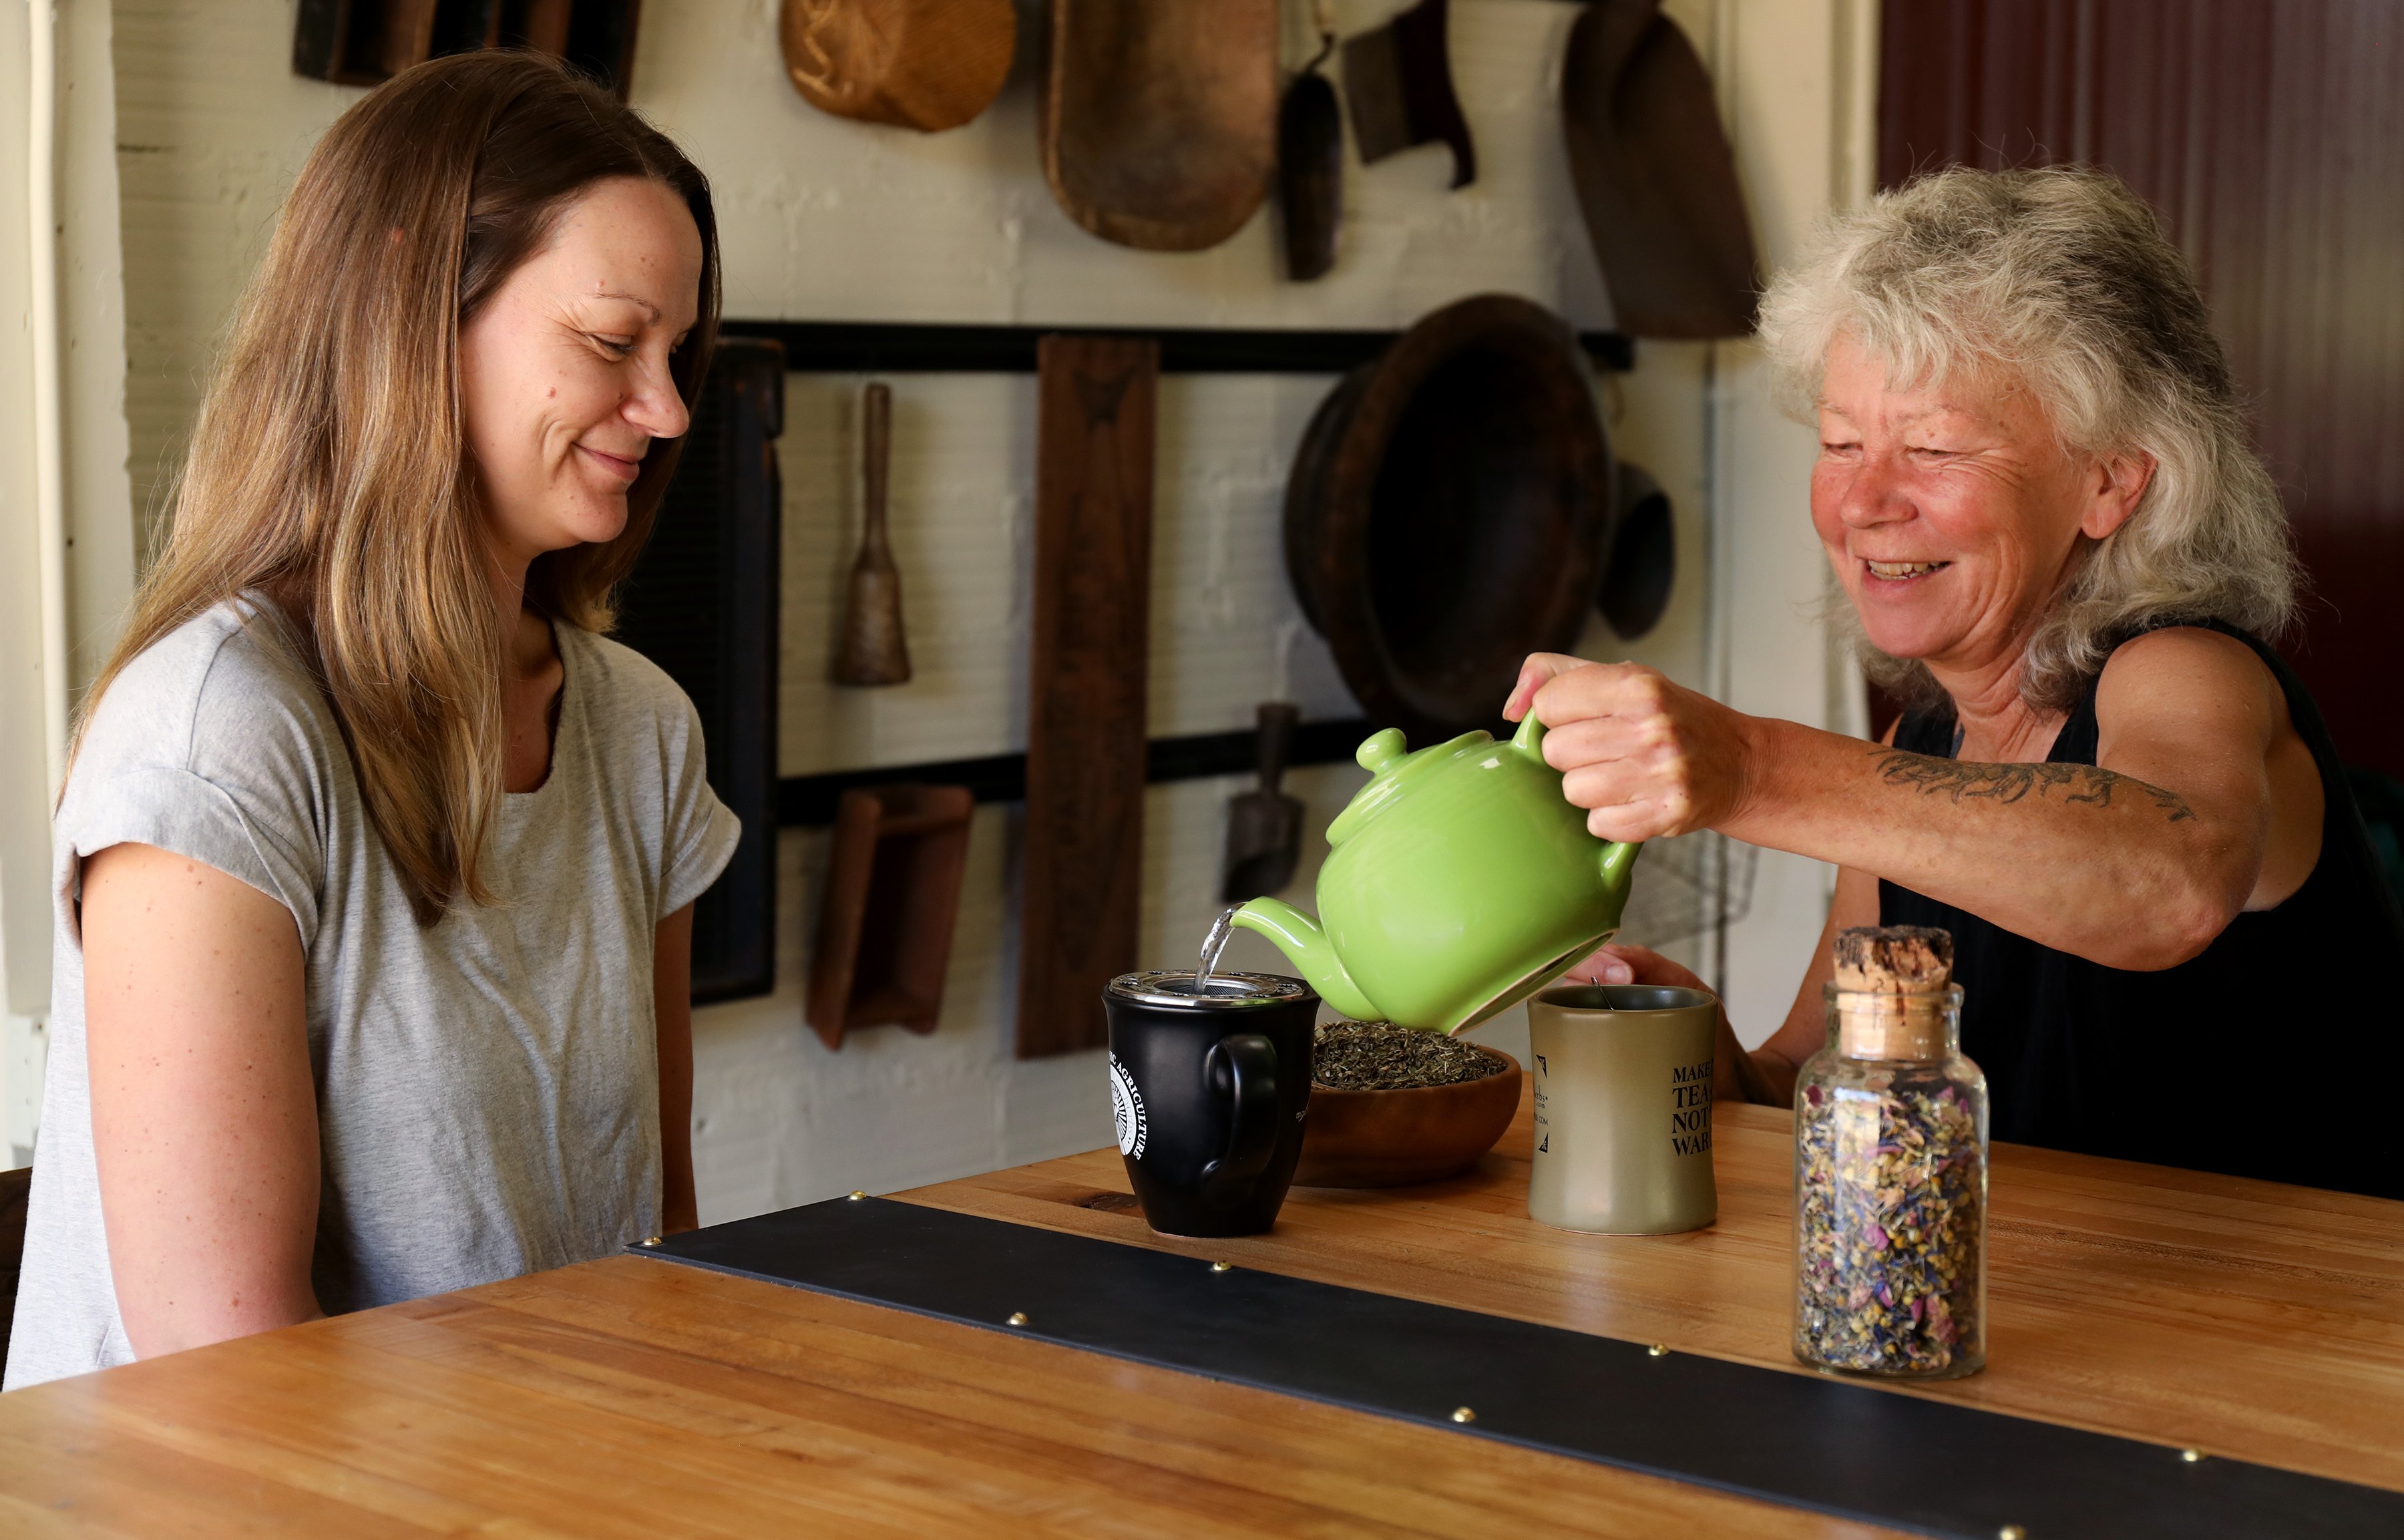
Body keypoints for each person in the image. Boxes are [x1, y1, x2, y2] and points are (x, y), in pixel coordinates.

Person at [5, 52, 739, 1389]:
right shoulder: (220, 730)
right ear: (411, 305)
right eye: (612, 341)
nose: (670, 407)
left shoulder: (642, 733)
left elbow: (658, 1254)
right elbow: (229, 1374)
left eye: (678, 353)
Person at [1515, 166, 2404, 1197]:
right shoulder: (1918, 751)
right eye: (1842, 442)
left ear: (2109, 483)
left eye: (1933, 447)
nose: (1865, 502)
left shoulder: (2188, 671)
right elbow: (1806, 1079)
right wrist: (1699, 1051)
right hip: (2030, 1332)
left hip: (2304, 1341)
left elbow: (2171, 879)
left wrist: (1752, 769)